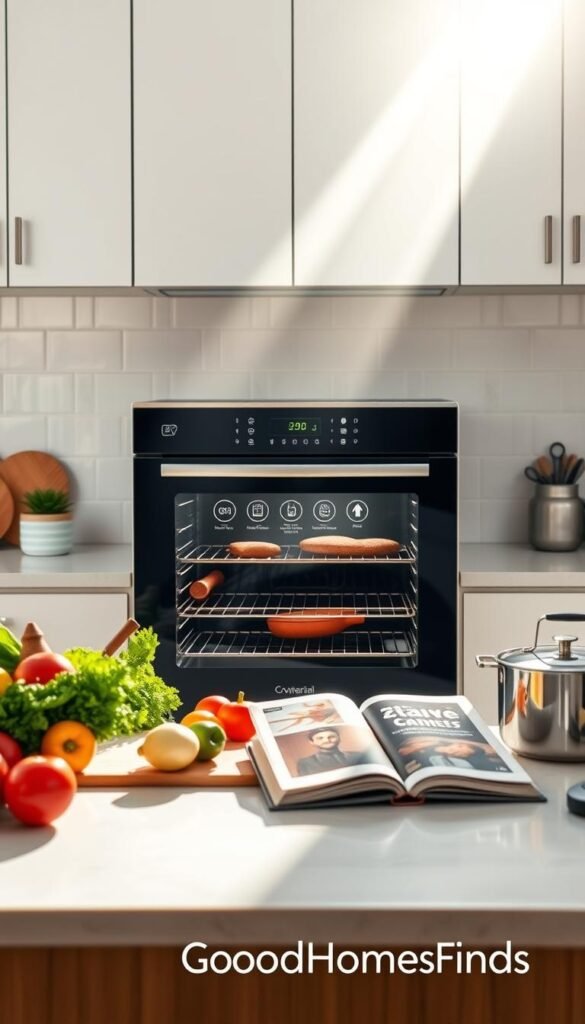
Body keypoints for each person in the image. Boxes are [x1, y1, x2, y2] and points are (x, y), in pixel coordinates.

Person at [296, 727, 370, 776]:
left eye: (331, 737)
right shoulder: (306, 762)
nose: (326, 740)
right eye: (320, 738)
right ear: (312, 742)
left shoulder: (357, 756)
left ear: (339, 738)